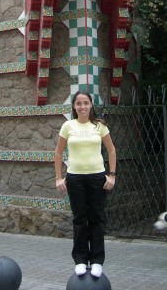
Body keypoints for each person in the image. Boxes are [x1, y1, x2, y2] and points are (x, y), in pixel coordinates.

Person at [55, 91, 116, 278]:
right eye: (79, 103)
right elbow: (58, 153)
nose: (82, 106)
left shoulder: (99, 126)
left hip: (97, 178)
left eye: (86, 103)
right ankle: (80, 260)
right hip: (75, 178)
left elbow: (111, 150)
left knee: (97, 219)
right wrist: (59, 177)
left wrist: (111, 175)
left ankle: (97, 261)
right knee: (80, 220)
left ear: (91, 105)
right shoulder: (68, 126)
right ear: (74, 106)